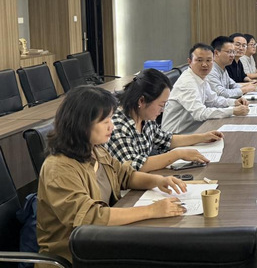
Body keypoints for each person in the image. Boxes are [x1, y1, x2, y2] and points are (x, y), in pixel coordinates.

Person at [37, 85, 187, 263]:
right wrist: (151, 210)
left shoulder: (96, 150)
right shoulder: (59, 168)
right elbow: (90, 217)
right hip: (74, 256)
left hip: (102, 243)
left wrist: (158, 181)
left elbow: (124, 175)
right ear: (82, 124)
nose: (112, 126)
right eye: (105, 121)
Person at [107, 68, 224, 172]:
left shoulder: (144, 117)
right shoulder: (117, 125)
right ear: (142, 101)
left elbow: (166, 139)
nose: (162, 110)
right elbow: (133, 166)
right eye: (161, 105)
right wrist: (177, 154)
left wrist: (202, 137)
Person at [162, 43, 249, 134]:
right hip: (176, 135)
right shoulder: (187, 83)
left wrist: (234, 102)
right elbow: (200, 113)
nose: (204, 64)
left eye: (208, 60)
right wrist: (232, 111)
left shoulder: (201, 77)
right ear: (189, 61)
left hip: (195, 129)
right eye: (199, 60)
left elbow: (213, 100)